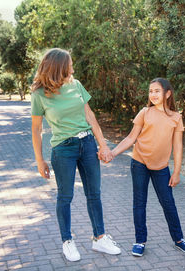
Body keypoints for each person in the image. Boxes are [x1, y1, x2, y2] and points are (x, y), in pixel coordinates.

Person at [31, 48, 120, 262]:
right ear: (59, 66)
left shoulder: (76, 85)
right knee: (65, 196)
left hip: (88, 144)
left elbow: (90, 115)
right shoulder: (40, 94)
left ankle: (99, 238)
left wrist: (103, 145)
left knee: (94, 193)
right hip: (63, 149)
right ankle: (67, 241)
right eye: (70, 64)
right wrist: (39, 159)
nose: (73, 67)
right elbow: (36, 129)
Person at [109, 78, 185, 256]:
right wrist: (113, 153)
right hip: (139, 162)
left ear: (167, 93)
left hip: (161, 167)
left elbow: (178, 146)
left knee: (168, 203)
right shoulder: (144, 112)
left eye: (157, 91)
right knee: (139, 203)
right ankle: (140, 241)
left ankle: (179, 239)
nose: (153, 94)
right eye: (150, 91)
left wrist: (177, 172)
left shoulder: (176, 118)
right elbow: (131, 138)